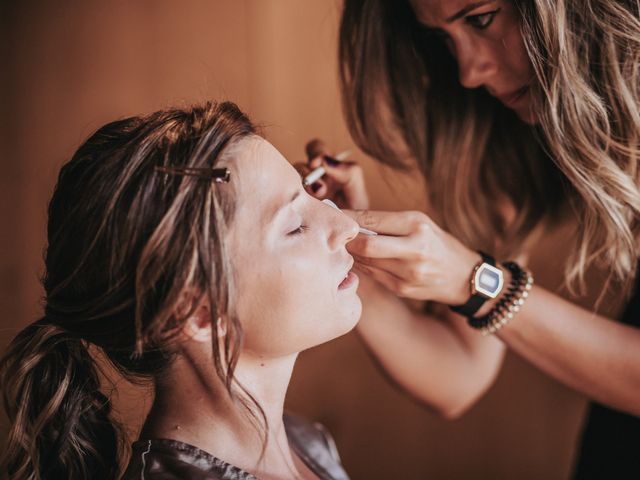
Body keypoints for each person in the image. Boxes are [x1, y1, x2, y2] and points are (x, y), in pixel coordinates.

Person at [300, 0, 640, 477]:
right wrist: (352, 259)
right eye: (443, 39)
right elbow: (455, 374)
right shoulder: (511, 138)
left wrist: (479, 285)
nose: (468, 72)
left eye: (481, 19)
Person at [0, 101, 360, 480]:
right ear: (198, 312)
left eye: (308, 189)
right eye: (294, 226)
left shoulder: (307, 441)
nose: (344, 223)